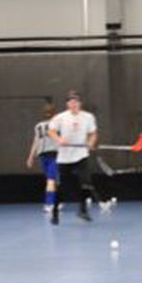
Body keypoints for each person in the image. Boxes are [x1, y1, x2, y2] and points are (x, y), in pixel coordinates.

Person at [47, 91, 100, 224]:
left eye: (76, 101)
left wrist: (91, 142)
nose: (74, 104)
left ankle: (83, 209)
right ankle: (55, 212)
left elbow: (93, 133)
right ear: (67, 104)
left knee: (86, 182)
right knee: (61, 187)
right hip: (64, 157)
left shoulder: (88, 117)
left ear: (80, 103)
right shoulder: (60, 117)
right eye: (71, 102)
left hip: (81, 155)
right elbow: (51, 131)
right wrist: (59, 139)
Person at [25, 103, 58, 214]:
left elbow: (35, 142)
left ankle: (51, 202)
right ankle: (50, 204)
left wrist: (30, 157)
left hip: (42, 154)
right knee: (51, 180)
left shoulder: (38, 126)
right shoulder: (57, 125)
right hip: (53, 154)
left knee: (50, 180)